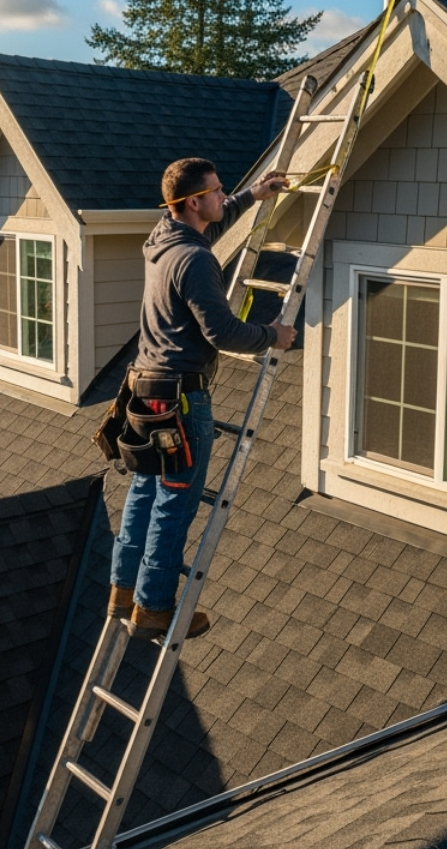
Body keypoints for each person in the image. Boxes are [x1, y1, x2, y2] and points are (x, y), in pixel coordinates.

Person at [110, 157, 296, 639]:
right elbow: (221, 331)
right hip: (181, 402)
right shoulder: (194, 259)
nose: (221, 196)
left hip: (145, 391)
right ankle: (153, 609)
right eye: (216, 191)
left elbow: (205, 228)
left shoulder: (163, 239)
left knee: (144, 492)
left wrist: (252, 196)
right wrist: (271, 334)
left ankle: (122, 592)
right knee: (173, 503)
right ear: (193, 202)